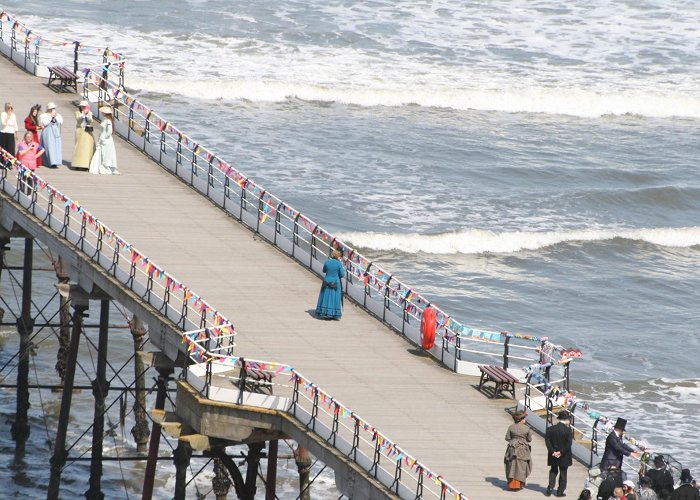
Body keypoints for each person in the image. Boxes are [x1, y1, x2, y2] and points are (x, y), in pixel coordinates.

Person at [545, 409, 574, 497]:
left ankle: (550, 487)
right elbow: (568, 443)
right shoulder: (568, 430)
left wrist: (553, 451)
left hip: (553, 454)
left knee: (553, 470)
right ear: (567, 420)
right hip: (564, 455)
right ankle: (560, 491)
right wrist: (561, 452)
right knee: (563, 473)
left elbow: (547, 441)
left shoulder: (550, 429)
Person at [504, 410, 532, 491]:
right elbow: (529, 439)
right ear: (522, 419)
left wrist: (514, 439)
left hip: (512, 448)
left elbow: (507, 438)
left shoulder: (511, 427)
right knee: (522, 465)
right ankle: (520, 483)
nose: (525, 420)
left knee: (511, 464)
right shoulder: (526, 428)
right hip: (523, 449)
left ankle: (511, 483)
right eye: (524, 418)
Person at [315, 248, 345, 319]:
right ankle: (334, 314)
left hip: (326, 281)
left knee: (325, 296)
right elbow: (342, 274)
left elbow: (324, 270)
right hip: (335, 282)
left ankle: (324, 312)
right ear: (338, 256)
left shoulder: (327, 262)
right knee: (335, 298)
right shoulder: (339, 263)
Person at [89, 106, 119, 175]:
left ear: (105, 113)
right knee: (103, 153)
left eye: (103, 112)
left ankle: (105, 167)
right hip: (103, 138)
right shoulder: (106, 119)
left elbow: (109, 132)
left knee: (105, 153)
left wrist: (103, 137)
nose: (102, 113)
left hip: (106, 140)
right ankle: (103, 166)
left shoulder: (108, 121)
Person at [71, 100, 95, 169]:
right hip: (80, 131)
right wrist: (83, 114)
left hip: (87, 131)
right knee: (79, 147)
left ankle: (85, 164)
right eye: (82, 106)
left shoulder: (90, 113)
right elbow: (78, 119)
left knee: (87, 148)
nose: (83, 108)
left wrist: (88, 115)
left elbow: (91, 121)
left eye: (84, 106)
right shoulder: (78, 112)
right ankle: (77, 164)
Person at [40, 102, 63, 168]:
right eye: (52, 108)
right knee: (49, 146)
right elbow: (44, 123)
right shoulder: (44, 115)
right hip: (48, 132)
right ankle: (50, 162)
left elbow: (61, 122)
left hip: (55, 132)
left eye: (54, 108)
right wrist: (50, 116)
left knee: (56, 147)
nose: (53, 109)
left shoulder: (57, 115)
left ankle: (56, 161)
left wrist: (56, 116)